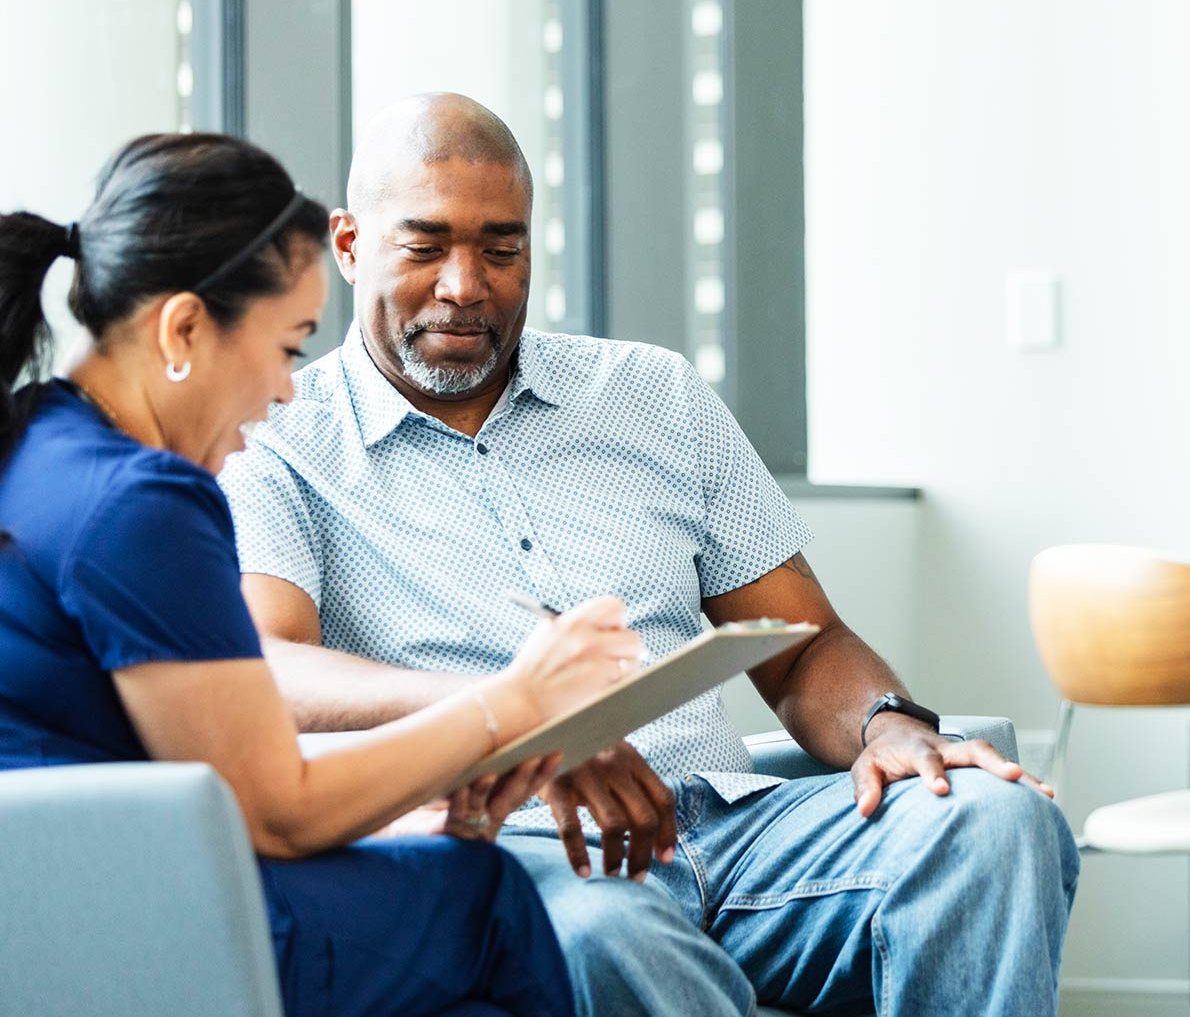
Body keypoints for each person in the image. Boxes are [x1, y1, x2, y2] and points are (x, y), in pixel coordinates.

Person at [220, 93, 1081, 1017]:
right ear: (350, 246)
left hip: (737, 826)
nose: (466, 284)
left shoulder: (651, 394)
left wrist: (889, 724)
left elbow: (804, 643)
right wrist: (523, 724)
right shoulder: (278, 438)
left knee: (993, 822)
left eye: (502, 249)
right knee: (602, 938)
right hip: (529, 851)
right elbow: (272, 669)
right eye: (425, 247)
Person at [0, 132, 645, 1017]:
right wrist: (519, 701)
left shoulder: (31, 440)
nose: (287, 394)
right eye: (290, 347)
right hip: (138, 913)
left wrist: (395, 805)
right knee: (488, 899)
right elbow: (278, 811)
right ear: (184, 328)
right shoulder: (142, 501)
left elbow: (201, 760)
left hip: (65, 899)